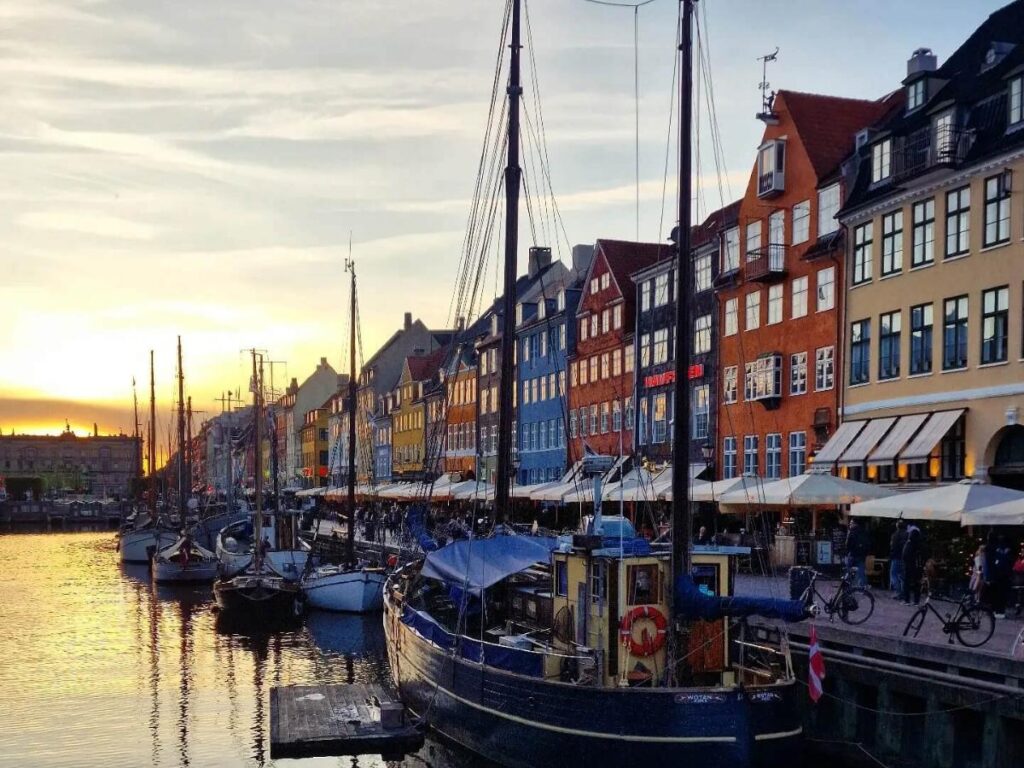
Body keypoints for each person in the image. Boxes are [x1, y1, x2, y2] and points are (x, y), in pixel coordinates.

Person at [990, 534, 1014, 619]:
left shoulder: (996, 550)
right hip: (1004, 576)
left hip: (998, 576)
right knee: (1002, 594)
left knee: (997, 594)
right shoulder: (1006, 552)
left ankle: (997, 610)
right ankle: (1000, 610)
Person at [901, 524, 924, 605]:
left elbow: (906, 555)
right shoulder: (918, 545)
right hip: (917, 566)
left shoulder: (910, 543)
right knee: (916, 583)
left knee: (907, 583)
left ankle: (907, 600)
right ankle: (916, 600)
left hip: (909, 566)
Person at [845, 518, 870, 587]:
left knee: (848, 570)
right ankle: (863, 587)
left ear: (855, 524)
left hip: (852, 554)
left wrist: (847, 551)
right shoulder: (864, 532)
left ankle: (848, 586)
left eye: (851, 523)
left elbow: (847, 544)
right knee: (861, 572)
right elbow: (868, 544)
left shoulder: (851, 532)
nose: (850, 525)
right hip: (861, 555)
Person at [889, 520, 908, 597]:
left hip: (896, 557)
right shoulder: (907, 534)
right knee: (902, 576)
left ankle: (898, 592)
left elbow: (892, 546)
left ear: (897, 526)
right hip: (904, 558)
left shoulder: (895, 535)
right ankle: (903, 592)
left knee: (893, 575)